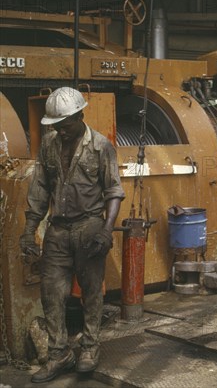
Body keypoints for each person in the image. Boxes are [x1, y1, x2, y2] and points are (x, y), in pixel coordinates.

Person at [19, 87, 124, 382]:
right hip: (58, 230)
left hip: (90, 226)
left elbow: (114, 191)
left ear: (80, 115)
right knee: (51, 293)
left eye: (64, 125)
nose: (60, 131)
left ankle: (90, 347)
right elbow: (39, 189)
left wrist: (106, 229)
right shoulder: (49, 145)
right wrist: (29, 231)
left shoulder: (101, 147)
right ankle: (59, 354)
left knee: (91, 293)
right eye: (55, 126)